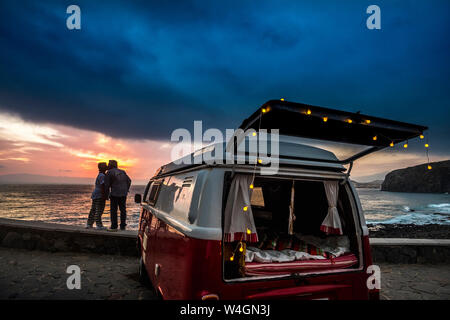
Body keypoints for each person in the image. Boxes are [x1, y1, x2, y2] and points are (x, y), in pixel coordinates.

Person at [104, 160, 131, 231]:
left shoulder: (109, 172)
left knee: (113, 210)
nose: (107, 166)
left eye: (108, 164)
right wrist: (126, 189)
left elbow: (106, 185)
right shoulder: (123, 171)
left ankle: (114, 226)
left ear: (110, 165)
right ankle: (122, 226)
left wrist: (106, 195)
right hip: (123, 193)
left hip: (114, 193)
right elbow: (129, 181)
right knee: (123, 210)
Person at [86, 162, 108, 230]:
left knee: (93, 209)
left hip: (96, 194)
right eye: (105, 166)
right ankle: (99, 225)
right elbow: (103, 186)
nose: (106, 167)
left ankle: (89, 224)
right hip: (99, 194)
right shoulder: (102, 176)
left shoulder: (101, 175)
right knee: (99, 210)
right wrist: (104, 195)